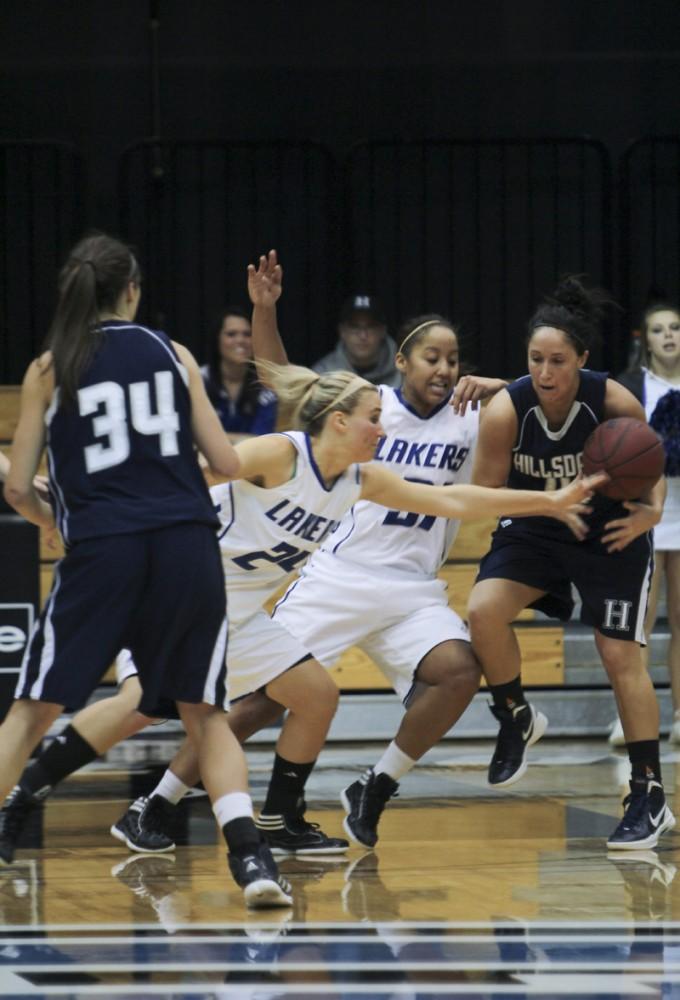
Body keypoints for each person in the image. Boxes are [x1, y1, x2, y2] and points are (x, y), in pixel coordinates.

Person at [0, 255, 602, 863]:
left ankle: (274, 824)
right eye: (430, 357)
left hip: (348, 595)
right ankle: (68, 797)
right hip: (201, 589)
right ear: (368, 396)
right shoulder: (284, 450)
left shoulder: (372, 470)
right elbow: (199, 456)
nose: (442, 369)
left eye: (453, 358)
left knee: (318, 695)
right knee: (157, 708)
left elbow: (458, 495)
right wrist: (84, 506)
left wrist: (548, 497)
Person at [0, 232, 293, 909]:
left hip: (105, 545)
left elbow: (18, 490)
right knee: (206, 714)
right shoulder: (175, 354)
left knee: (32, 708)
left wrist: (53, 523)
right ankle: (253, 864)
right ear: (132, 289)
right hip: (187, 545)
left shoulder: (51, 366)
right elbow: (223, 463)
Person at [465, 276, 672, 851]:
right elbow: (484, 495)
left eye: (558, 360)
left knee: (617, 653)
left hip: (608, 529)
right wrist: (548, 504)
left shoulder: (612, 402)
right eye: (535, 359)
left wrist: (646, 518)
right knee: (482, 611)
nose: (546, 372)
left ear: (582, 358)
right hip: (536, 524)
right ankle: (515, 715)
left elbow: (651, 472)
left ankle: (648, 793)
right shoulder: (508, 409)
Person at [608, 302, 680, 746]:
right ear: (645, 339)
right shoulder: (629, 387)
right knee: (640, 621)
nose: (669, 335)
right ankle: (632, 719)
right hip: (645, 512)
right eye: (659, 329)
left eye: (675, 327)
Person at [200, 306, 277, 440]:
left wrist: (216, 440)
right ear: (216, 340)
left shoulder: (265, 384)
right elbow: (192, 438)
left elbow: (262, 441)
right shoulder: (199, 380)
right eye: (231, 334)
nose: (240, 340)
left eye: (247, 334)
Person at [313, 294, 400, 387]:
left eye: (370, 326)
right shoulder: (322, 374)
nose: (363, 336)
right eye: (354, 327)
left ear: (382, 331)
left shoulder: (404, 370)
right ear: (342, 331)